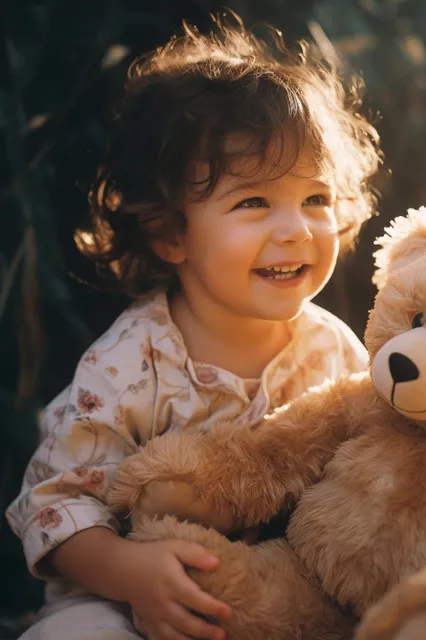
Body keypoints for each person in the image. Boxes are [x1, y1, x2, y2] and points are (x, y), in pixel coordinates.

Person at [5, 15, 381, 640]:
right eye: (253, 202)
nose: (295, 228)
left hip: (276, 604)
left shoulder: (332, 351)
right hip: (132, 605)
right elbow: (54, 504)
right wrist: (128, 569)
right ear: (170, 232)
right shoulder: (130, 362)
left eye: (315, 199)